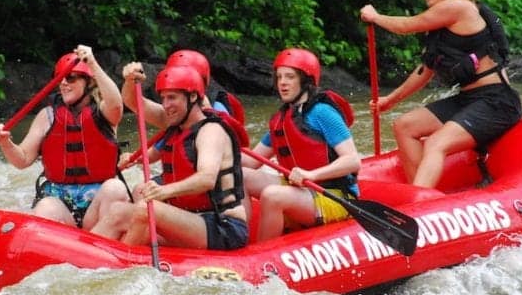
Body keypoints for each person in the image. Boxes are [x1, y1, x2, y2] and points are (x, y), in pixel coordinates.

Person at [360, 0, 522, 188]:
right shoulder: (439, 27)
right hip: (469, 100)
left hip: (496, 101)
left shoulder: (458, 8)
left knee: (435, 143)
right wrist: (390, 100)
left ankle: (420, 203)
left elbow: (407, 26)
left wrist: (375, 17)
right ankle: (423, 194)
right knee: (404, 126)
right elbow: (425, 71)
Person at [91, 65, 249, 250]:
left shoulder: (211, 131)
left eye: (172, 97)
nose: (166, 105)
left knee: (146, 208)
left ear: (192, 97)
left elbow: (206, 179)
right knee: (118, 211)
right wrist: (129, 80)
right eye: (163, 98)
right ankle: (84, 257)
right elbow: (134, 102)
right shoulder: (174, 121)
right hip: (189, 219)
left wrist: (164, 191)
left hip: (222, 226)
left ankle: (115, 265)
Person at [0, 44, 129, 229]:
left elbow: (116, 104)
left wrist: (92, 63)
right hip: (60, 199)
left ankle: (104, 246)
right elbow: (22, 160)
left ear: (89, 83)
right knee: (45, 207)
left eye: (70, 77)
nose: (64, 83)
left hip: (98, 201)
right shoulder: (46, 116)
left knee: (116, 188)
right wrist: (6, 143)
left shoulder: (105, 112)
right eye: (60, 79)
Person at [241, 48, 361, 242]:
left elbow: (353, 161)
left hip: (335, 196)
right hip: (301, 192)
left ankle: (261, 255)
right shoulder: (281, 119)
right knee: (242, 176)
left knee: (272, 195)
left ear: (305, 81)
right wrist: (221, 146)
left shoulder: (323, 112)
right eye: (279, 77)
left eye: (290, 77)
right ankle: (240, 238)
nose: (282, 83)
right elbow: (250, 162)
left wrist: (312, 175)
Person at [117, 49, 246, 172]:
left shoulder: (217, 115)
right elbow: (134, 102)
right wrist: (130, 80)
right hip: (183, 183)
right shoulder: (178, 113)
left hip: (211, 183)